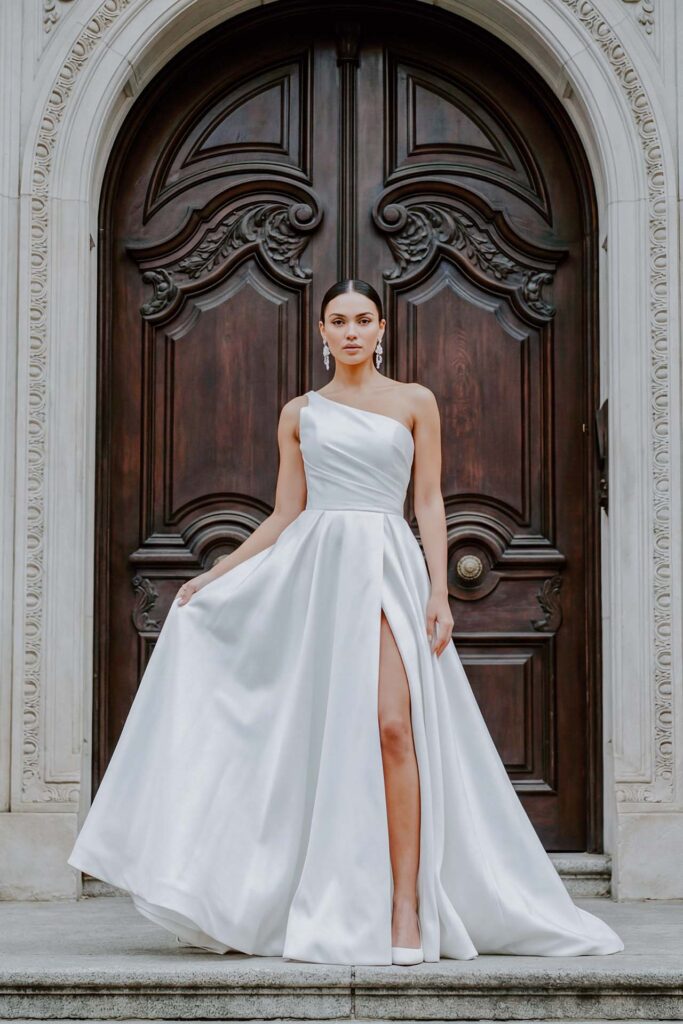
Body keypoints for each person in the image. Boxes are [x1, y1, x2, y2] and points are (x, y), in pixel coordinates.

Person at [67, 278, 625, 966]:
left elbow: (427, 503)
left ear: (382, 327)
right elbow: (284, 513)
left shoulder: (414, 402)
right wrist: (219, 573)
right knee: (315, 734)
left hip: (387, 566)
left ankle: (405, 903)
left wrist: (438, 592)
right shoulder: (299, 413)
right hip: (317, 575)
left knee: (395, 725)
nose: (352, 331)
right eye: (339, 320)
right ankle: (311, 886)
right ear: (321, 332)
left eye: (363, 319)